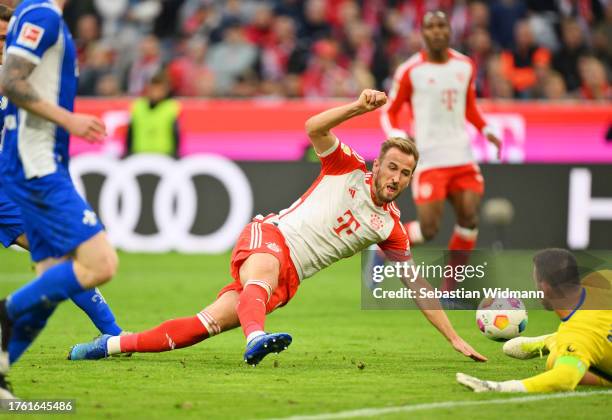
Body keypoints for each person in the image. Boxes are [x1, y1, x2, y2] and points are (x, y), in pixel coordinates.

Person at [68, 89, 487, 367]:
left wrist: (453, 338)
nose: (396, 177)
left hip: (289, 278)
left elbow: (417, 285)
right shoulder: (347, 166)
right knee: (263, 274)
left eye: (405, 173)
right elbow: (313, 128)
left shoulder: (390, 227)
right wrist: (358, 108)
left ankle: (110, 344)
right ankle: (255, 339)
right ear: (377, 165)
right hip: (271, 237)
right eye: (391, 167)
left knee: (201, 327)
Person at [0, 0, 118, 398]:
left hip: (27, 168)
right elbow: (12, 83)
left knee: (52, 280)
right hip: (35, 171)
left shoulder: (40, 20)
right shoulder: (41, 16)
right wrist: (70, 120)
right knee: (98, 262)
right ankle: (7, 312)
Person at [379, 11, 502, 292]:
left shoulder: (465, 65)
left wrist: (487, 129)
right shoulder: (410, 70)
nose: (436, 31)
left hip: (461, 156)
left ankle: (450, 289)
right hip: (429, 159)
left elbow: (469, 106)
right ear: (423, 33)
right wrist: (397, 135)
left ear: (449, 30)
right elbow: (390, 110)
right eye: (430, 27)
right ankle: (382, 249)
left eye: (441, 26)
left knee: (469, 218)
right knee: (429, 230)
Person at [457, 249, 612, 392]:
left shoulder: (577, 335)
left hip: (582, 340)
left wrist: (498, 387)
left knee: (556, 362)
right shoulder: (603, 278)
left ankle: (550, 341)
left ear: (545, 288)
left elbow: (564, 379)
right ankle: (551, 340)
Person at [125, 71, 181, 157]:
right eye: (153, 88)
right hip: (139, 153)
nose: (156, 92)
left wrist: (175, 153)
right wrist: (128, 151)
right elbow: (130, 132)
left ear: (166, 90)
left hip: (164, 154)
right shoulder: (137, 106)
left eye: (159, 89)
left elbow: (176, 133)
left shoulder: (171, 107)